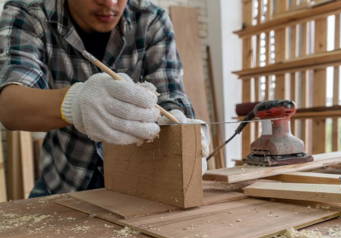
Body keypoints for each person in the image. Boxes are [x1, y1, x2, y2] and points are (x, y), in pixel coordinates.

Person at [0, 0, 207, 198]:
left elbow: (170, 94)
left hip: (139, 187)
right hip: (64, 183)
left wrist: (181, 123)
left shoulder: (150, 19)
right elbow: (9, 106)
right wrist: (75, 103)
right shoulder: (30, 14)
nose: (109, 3)